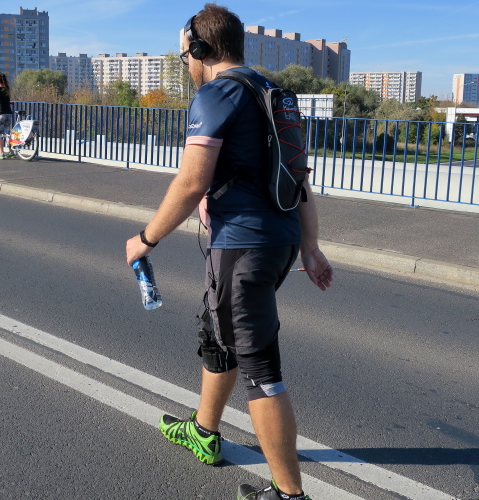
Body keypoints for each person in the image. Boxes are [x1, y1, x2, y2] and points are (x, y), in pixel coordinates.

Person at [125, 5, 333, 499]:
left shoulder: (216, 94)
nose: (186, 65)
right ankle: (204, 429)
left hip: (242, 246)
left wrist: (146, 238)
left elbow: (192, 180)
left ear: (201, 50)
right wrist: (310, 245)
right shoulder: (272, 92)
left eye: (185, 56)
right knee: (218, 333)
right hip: (278, 240)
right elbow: (299, 179)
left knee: (262, 371)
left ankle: (289, 494)